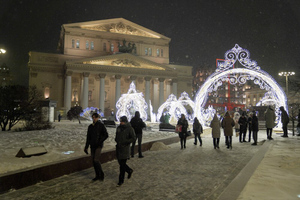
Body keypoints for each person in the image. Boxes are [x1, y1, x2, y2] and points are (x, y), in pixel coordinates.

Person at [84, 113, 108, 181]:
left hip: (98, 146)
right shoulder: (90, 126)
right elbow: (88, 137)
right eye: (93, 117)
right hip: (92, 145)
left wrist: (100, 141)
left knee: (96, 160)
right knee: (93, 161)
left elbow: (106, 135)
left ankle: (101, 174)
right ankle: (97, 175)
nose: (94, 119)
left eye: (95, 117)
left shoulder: (101, 125)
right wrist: (86, 146)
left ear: (98, 118)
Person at [115, 116, 136, 186]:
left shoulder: (130, 129)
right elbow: (116, 136)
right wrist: (117, 140)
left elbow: (133, 138)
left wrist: (126, 142)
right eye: (120, 121)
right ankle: (129, 170)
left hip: (125, 148)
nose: (121, 123)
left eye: (122, 121)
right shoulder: (118, 128)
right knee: (120, 163)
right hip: (119, 148)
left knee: (122, 165)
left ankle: (121, 180)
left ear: (126, 121)